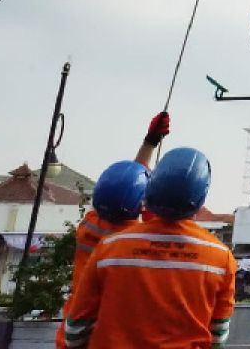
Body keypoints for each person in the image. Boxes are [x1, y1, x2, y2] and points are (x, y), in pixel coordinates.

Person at [64, 147, 236, 348]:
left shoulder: (110, 248)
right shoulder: (221, 259)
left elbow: (75, 330)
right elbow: (218, 334)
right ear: (201, 198)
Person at [54, 111, 169, 348]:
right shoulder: (135, 240)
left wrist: (149, 143)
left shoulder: (89, 225)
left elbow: (127, 185)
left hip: (72, 334)